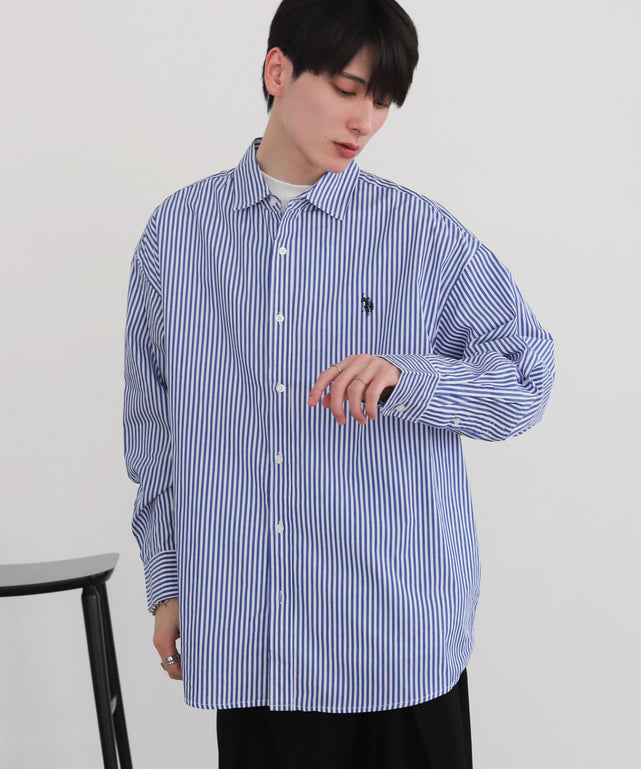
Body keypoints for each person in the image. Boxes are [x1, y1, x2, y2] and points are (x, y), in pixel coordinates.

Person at [123, 0, 554, 766]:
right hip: (253, 642)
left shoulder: (420, 236)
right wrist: (168, 581)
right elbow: (153, 426)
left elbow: (526, 378)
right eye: (348, 89)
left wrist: (410, 376)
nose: (365, 121)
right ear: (277, 70)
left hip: (396, 645)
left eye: (382, 101)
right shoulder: (177, 236)